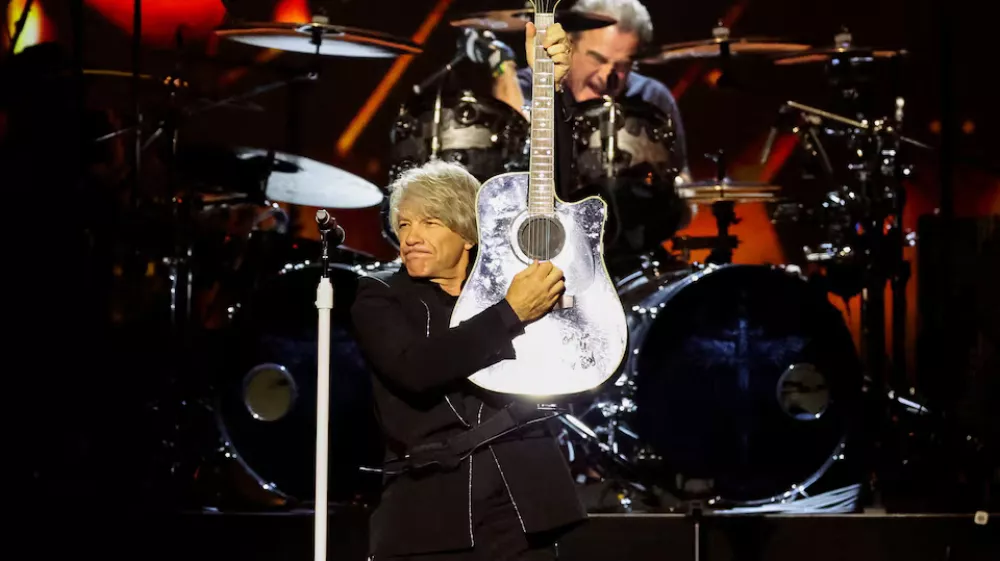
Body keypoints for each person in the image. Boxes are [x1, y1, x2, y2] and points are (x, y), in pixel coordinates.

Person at [351, 160, 588, 560]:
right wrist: (510, 314)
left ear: (466, 232)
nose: (411, 236)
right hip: (433, 504)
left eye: (429, 222)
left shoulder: (515, 286)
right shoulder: (379, 296)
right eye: (404, 224)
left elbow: (578, 352)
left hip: (522, 494)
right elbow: (416, 368)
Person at [485, 0, 693, 261]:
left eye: (623, 65)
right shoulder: (528, 86)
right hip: (541, 246)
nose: (608, 75)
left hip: (631, 253)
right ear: (569, 44)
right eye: (598, 59)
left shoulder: (651, 98)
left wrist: (672, 191)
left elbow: (684, 193)